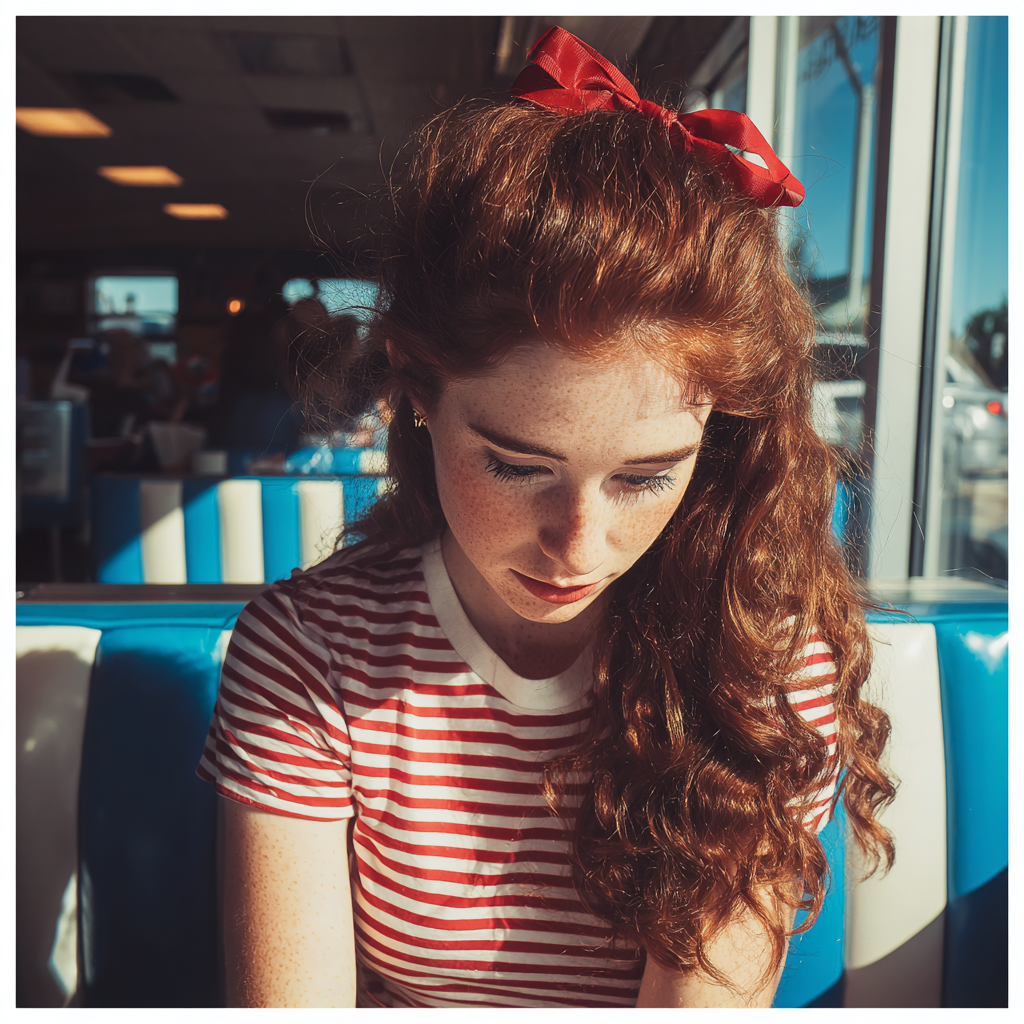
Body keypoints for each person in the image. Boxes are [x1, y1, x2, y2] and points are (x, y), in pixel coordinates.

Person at [197, 28, 895, 1008]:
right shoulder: (312, 654)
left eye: (647, 476)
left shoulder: (763, 668)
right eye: (517, 464)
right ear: (414, 388)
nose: (579, 542)